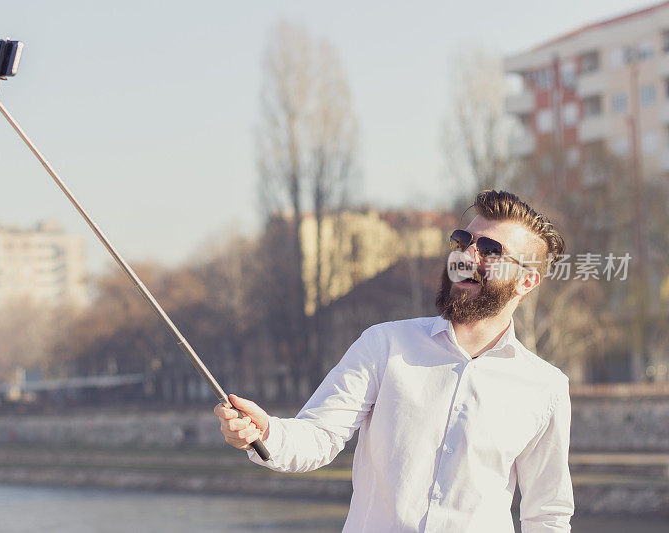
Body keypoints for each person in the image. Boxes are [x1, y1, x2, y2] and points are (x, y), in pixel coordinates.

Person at [214, 190, 573, 532]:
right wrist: (265, 433)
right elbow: (319, 436)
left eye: (491, 250)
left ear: (526, 281)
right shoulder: (384, 344)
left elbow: (548, 514)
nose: (468, 256)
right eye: (464, 241)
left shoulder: (546, 388)